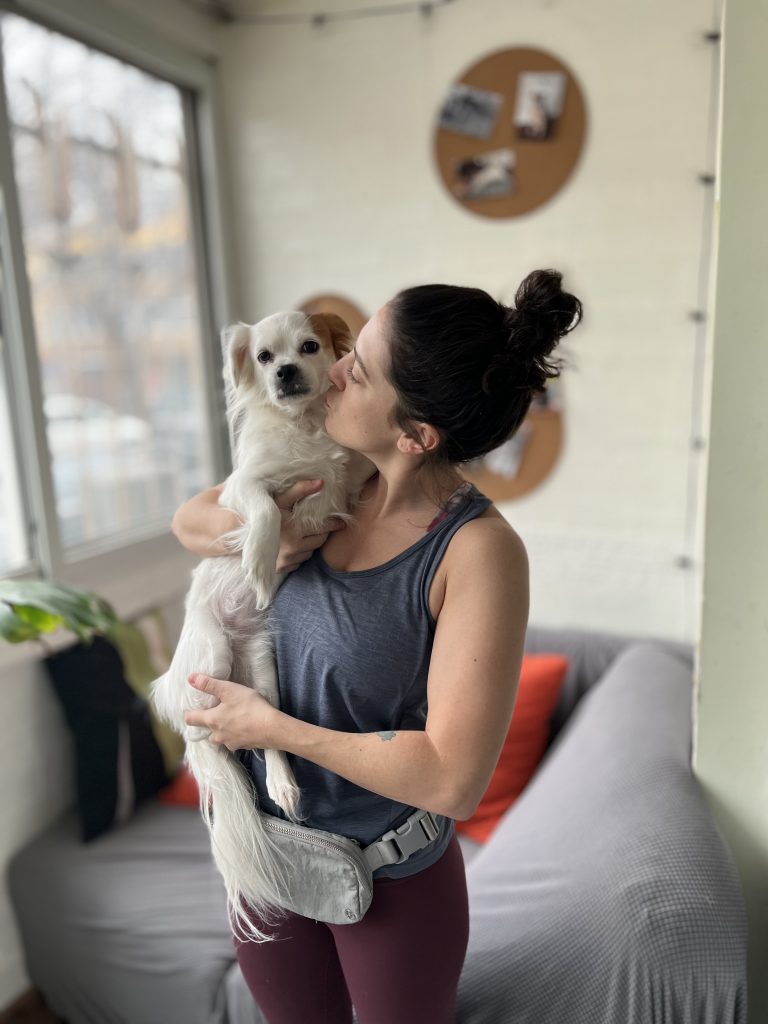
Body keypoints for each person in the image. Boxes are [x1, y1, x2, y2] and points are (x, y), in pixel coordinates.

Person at [173, 269, 582, 1024]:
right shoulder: (327, 478)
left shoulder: (477, 552)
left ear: (415, 436)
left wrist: (271, 730)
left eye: (357, 370)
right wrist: (247, 533)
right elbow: (190, 517)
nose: (332, 373)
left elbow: (453, 780)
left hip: (389, 878)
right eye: (345, 352)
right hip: (266, 856)